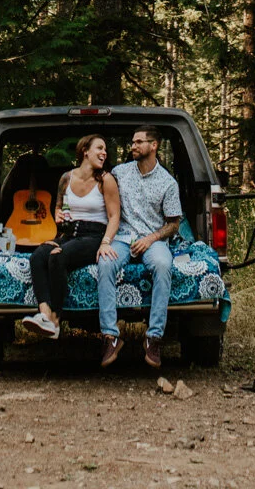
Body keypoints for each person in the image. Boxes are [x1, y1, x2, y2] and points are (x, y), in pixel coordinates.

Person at [97, 124, 183, 370]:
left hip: (152, 240)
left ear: (153, 146)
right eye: (132, 142)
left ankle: (154, 338)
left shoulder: (168, 183)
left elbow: (174, 223)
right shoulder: (120, 173)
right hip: (122, 237)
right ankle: (110, 337)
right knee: (104, 262)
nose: (132, 146)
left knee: (164, 265)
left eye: (138, 142)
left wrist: (152, 239)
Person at [21, 134, 120, 339]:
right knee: (38, 257)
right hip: (69, 233)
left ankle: (56, 320)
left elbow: (114, 216)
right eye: (99, 148)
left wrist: (105, 242)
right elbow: (58, 207)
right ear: (85, 151)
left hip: (94, 236)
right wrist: (57, 214)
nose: (104, 153)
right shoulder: (66, 178)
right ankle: (44, 315)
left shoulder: (106, 180)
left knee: (57, 256)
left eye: (105, 150)